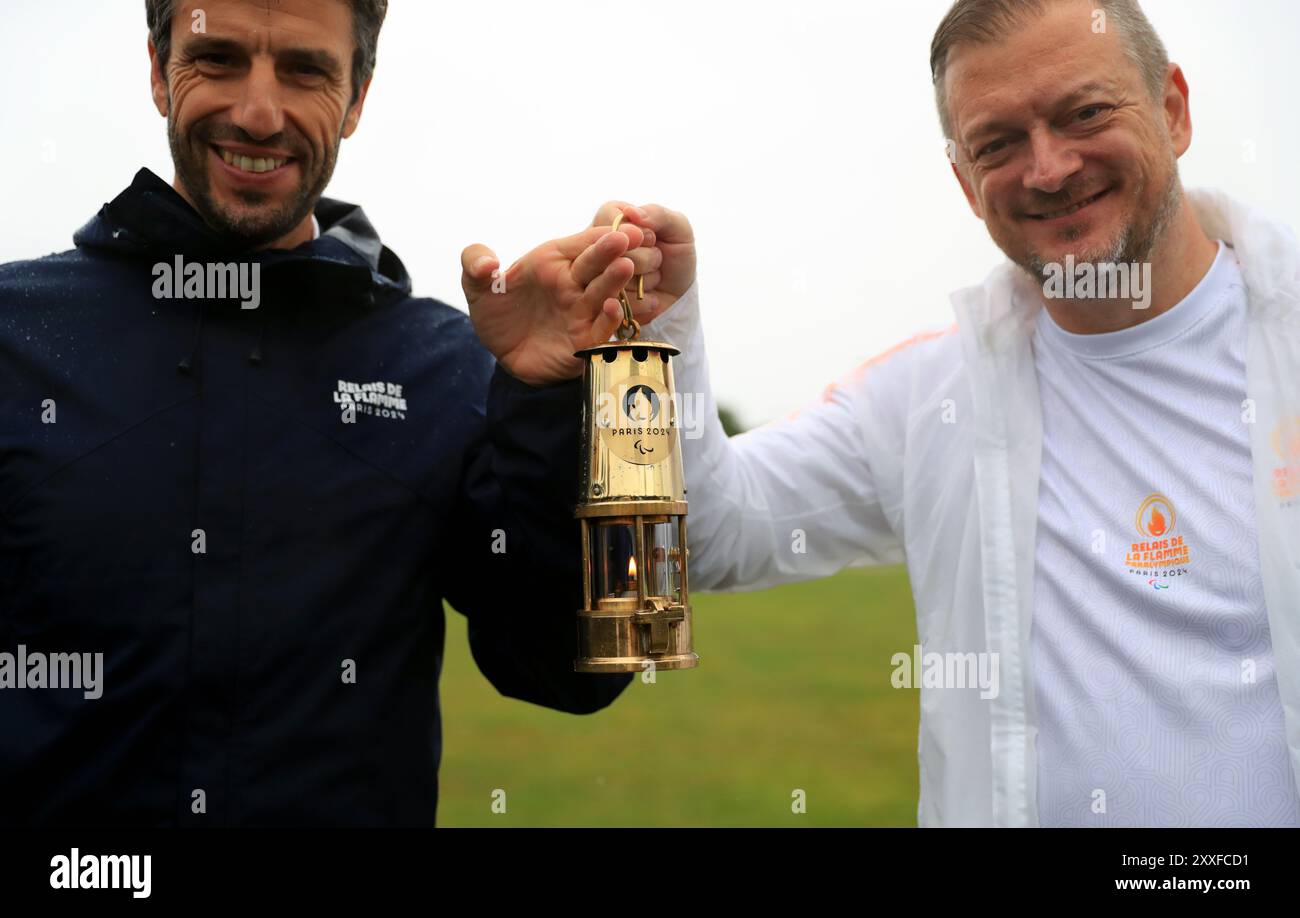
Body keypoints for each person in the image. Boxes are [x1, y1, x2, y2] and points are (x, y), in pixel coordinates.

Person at [617, 0, 1300, 826]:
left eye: (1083, 113)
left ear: (1173, 109)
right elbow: (712, 532)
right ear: (965, 183)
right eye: (998, 144)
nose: (1047, 169)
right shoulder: (931, 398)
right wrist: (653, 336)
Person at [0, 0, 665, 826]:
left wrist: (545, 400)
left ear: (357, 98)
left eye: (307, 70)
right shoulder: (16, 336)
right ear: (156, 71)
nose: (258, 112)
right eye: (219, 58)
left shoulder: (440, 364)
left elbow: (568, 673)